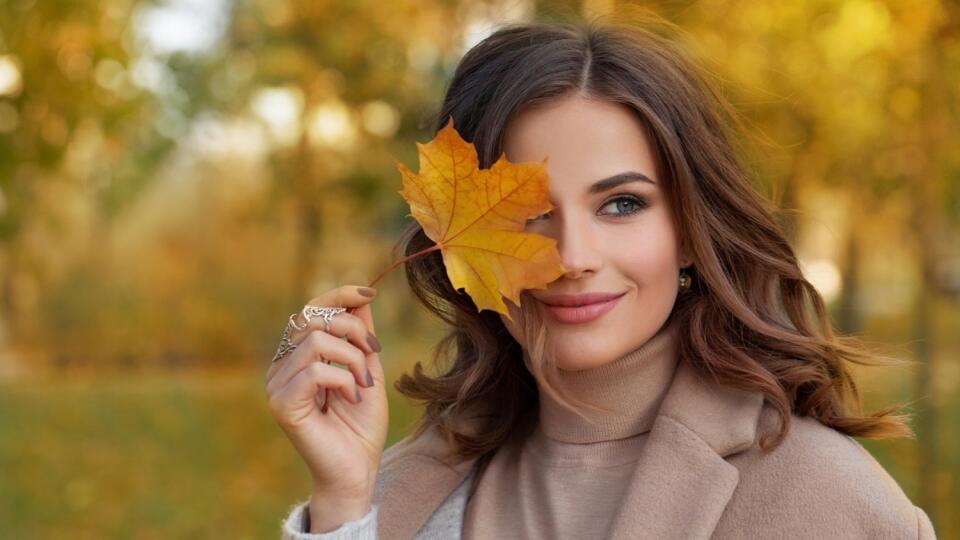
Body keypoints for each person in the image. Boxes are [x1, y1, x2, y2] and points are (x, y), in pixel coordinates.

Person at [265, 19, 937, 540]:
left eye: (622, 204)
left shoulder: (830, 500)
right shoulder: (401, 494)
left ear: (690, 236)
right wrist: (345, 505)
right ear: (454, 246)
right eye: (530, 214)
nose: (573, 256)